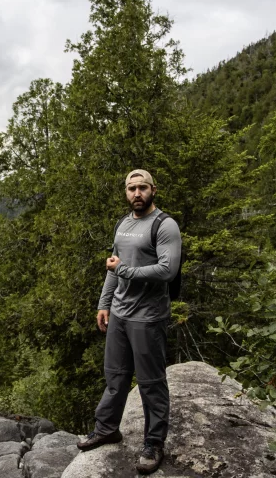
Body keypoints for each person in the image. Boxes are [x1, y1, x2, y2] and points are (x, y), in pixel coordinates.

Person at [77, 169, 181, 475]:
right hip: (120, 314)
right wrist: (104, 303)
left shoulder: (165, 225)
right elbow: (113, 267)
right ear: (126, 192)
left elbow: (167, 270)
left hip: (148, 317)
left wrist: (125, 271)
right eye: (131, 188)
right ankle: (107, 428)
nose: (137, 193)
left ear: (153, 190)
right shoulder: (123, 224)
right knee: (115, 376)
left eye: (143, 188)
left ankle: (154, 443)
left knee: (151, 384)